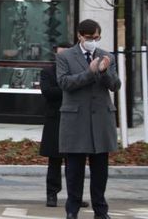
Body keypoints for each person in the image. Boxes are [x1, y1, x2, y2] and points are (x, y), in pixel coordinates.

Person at [57, 19, 120, 219]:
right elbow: (64, 83)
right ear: (80, 36)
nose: (94, 41)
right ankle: (72, 210)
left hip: (101, 120)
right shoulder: (65, 56)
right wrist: (90, 72)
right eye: (90, 37)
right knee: (74, 171)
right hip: (76, 121)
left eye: (97, 37)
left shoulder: (106, 56)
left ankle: (101, 211)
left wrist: (102, 72)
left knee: (100, 171)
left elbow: (115, 85)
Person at [40, 42, 88, 209]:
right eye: (60, 54)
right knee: (54, 160)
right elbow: (47, 92)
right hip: (55, 120)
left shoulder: (78, 71)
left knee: (75, 161)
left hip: (75, 119)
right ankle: (51, 194)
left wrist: (70, 84)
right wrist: (69, 86)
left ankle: (75, 196)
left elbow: (84, 89)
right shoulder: (47, 72)